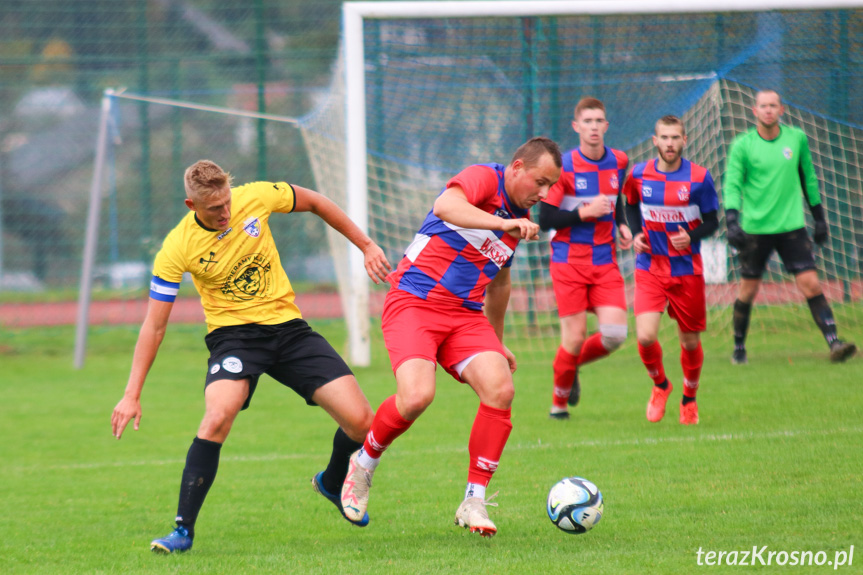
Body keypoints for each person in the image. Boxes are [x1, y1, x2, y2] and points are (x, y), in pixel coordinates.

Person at [110, 160, 392, 553]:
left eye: (227, 202)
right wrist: (131, 393)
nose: (225, 212)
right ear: (191, 205)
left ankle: (330, 481)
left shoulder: (254, 197)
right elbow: (154, 326)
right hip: (235, 339)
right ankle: (182, 531)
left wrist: (366, 245)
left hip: (290, 331)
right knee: (217, 416)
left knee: (364, 424)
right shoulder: (177, 248)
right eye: (214, 209)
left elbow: (314, 201)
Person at [338, 137, 562, 538]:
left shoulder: (517, 220)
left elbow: (499, 284)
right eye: (540, 181)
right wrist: (502, 222)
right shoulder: (485, 179)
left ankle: (473, 500)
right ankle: (364, 464)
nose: (544, 194)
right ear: (516, 167)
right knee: (417, 396)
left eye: (550, 186)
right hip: (414, 301)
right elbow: (446, 206)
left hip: (464, 315)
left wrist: (496, 340)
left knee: (501, 388)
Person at [724, 89, 856, 364]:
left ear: (781, 110)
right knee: (748, 290)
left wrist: (819, 217)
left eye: (773, 105)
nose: (768, 110)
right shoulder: (742, 144)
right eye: (763, 106)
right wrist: (732, 220)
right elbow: (733, 184)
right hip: (755, 230)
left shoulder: (796, 139)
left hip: (791, 227)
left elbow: (808, 178)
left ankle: (834, 343)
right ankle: (738, 348)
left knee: (810, 284)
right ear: (755, 111)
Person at [538, 97, 632, 420]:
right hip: (569, 262)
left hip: (605, 262)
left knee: (616, 335)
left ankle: (570, 363)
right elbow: (545, 219)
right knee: (574, 337)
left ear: (606, 126)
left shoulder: (619, 160)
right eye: (587, 121)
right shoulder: (562, 167)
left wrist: (622, 225)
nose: (594, 127)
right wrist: (583, 212)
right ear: (576, 127)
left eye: (599, 121)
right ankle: (558, 406)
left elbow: (617, 199)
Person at [622, 115, 720, 425]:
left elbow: (713, 222)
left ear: (684, 140)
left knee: (689, 343)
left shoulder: (699, 178)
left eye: (675, 137)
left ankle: (689, 400)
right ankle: (661, 385)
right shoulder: (638, 174)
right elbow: (629, 205)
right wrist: (636, 233)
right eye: (664, 137)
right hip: (650, 267)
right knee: (646, 336)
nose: (669, 143)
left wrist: (691, 236)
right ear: (655, 141)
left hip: (687, 270)